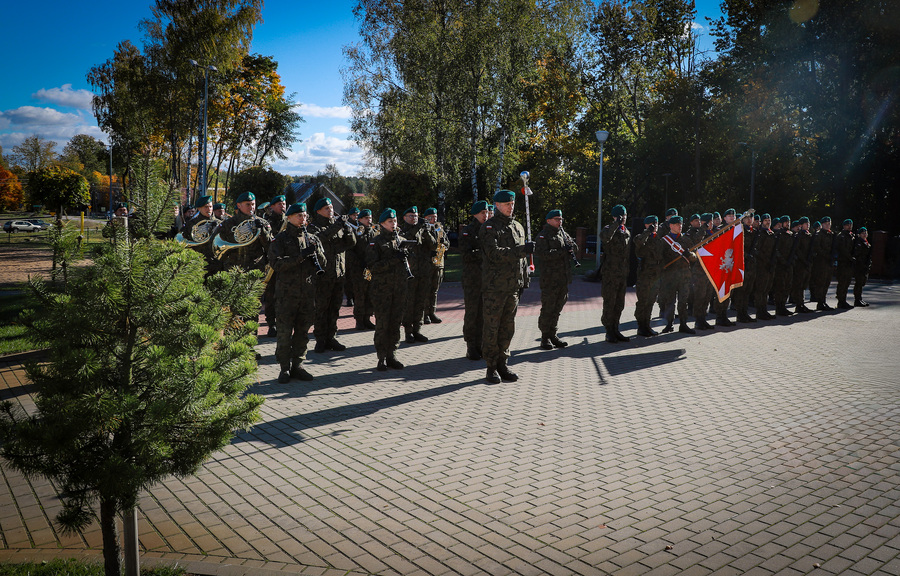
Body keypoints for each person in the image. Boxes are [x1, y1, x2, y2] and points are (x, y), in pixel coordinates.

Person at [268, 203, 326, 383]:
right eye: (299, 216)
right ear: (289, 218)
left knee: (302, 332)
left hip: (307, 293)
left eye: (305, 216)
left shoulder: (312, 238)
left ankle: (298, 365)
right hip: (286, 295)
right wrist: (300, 256)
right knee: (284, 333)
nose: (303, 219)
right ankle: (284, 368)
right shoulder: (280, 240)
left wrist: (316, 251)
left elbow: (323, 263)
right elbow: (276, 264)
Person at [481, 190, 532, 383]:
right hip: (495, 287)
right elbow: (493, 253)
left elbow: (522, 261)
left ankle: (503, 364)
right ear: (497, 205)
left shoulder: (518, 226)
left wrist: (524, 279)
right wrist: (521, 250)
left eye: (512, 203)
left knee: (507, 327)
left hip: (513, 286)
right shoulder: (489, 227)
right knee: (492, 328)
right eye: (506, 204)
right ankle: (491, 367)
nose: (511, 207)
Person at [309, 197, 356, 353]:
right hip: (323, 275)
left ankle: (331, 337)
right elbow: (320, 239)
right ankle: (320, 339)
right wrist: (337, 225)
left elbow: (351, 243)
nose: (331, 210)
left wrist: (348, 230)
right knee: (321, 309)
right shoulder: (314, 227)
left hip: (338, 273)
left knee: (335, 308)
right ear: (318, 211)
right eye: (327, 208)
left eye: (331, 207)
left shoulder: (338, 225)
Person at [366, 208, 410, 371]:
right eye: (390, 221)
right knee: (383, 323)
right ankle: (381, 357)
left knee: (395, 323)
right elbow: (373, 266)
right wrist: (393, 260)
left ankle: (392, 355)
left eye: (395, 221)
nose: (394, 224)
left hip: (399, 288)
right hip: (382, 290)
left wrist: (407, 256)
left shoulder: (402, 240)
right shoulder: (376, 242)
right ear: (382, 224)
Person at [535, 209, 576, 349]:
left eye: (561, 219)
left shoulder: (563, 234)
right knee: (548, 308)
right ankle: (545, 337)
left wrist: (572, 247)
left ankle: (553, 334)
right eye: (557, 219)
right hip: (550, 279)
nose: (560, 221)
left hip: (563, 278)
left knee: (557, 308)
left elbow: (573, 248)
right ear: (549, 221)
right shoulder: (543, 236)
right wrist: (562, 251)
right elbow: (542, 255)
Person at [399, 206, 437, 343]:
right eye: (411, 216)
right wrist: (418, 228)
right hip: (410, 272)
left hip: (424, 271)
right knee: (409, 303)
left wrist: (426, 231)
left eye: (415, 216)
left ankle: (417, 330)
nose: (414, 218)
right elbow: (407, 240)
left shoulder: (423, 229)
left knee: (421, 302)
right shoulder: (401, 230)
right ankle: (408, 331)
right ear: (405, 218)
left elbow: (433, 245)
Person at [216, 191, 273, 275]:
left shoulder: (263, 223)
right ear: (239, 205)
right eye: (248, 205)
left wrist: (263, 232)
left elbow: (270, 247)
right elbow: (217, 245)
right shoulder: (228, 224)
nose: (251, 207)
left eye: (253, 204)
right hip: (233, 268)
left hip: (256, 268)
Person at [658, 216, 698, 333]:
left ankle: (683, 324)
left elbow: (695, 257)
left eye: (681, 224)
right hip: (669, 277)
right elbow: (659, 258)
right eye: (677, 224)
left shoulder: (686, 240)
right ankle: (669, 324)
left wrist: (689, 255)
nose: (680, 226)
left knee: (683, 302)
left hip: (684, 276)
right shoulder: (664, 241)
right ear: (671, 226)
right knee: (669, 302)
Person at [461, 200, 489, 360]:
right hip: (472, 279)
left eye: (487, 212)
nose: (486, 215)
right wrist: (483, 252)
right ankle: (471, 346)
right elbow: (466, 255)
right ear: (475, 214)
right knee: (472, 313)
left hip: (487, 278)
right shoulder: (468, 231)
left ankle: (481, 344)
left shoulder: (490, 229)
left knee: (484, 313)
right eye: (482, 213)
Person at [600, 204, 632, 342]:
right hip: (610, 274)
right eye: (620, 216)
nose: (623, 218)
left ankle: (616, 328)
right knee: (610, 302)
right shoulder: (608, 229)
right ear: (614, 217)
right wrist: (615, 224)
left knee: (619, 303)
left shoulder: (627, 232)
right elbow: (605, 238)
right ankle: (609, 331)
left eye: (624, 215)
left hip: (622, 273)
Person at [261, 194, 288, 336]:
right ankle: (271, 324)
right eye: (279, 204)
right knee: (271, 296)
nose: (282, 206)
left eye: (284, 204)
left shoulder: (289, 220)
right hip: (272, 263)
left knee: (285, 295)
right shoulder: (267, 221)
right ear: (272, 207)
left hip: (286, 263)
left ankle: (283, 323)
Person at [634, 215, 663, 337]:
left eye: (656, 224)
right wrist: (647, 232)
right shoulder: (640, 237)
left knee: (651, 301)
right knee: (643, 301)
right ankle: (641, 326)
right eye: (651, 224)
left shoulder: (659, 239)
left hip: (655, 276)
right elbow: (639, 242)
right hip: (644, 276)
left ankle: (647, 325)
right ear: (646, 225)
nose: (654, 226)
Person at [349, 209, 376, 330]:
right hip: (359, 269)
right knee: (360, 295)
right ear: (359, 219)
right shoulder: (356, 232)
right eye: (366, 218)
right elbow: (350, 251)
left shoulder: (373, 232)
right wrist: (359, 263)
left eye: (370, 218)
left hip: (371, 268)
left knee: (370, 294)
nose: (369, 220)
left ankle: (367, 318)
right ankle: (359, 320)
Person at [687, 213, 715, 330]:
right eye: (709, 222)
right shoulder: (695, 233)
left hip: (710, 269)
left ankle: (703, 318)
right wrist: (703, 228)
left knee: (708, 295)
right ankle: (698, 320)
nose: (711, 224)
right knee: (700, 296)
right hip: (699, 270)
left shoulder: (713, 233)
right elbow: (696, 242)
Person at [179, 194, 220, 273]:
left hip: (216, 262)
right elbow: (183, 240)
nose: (209, 209)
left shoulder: (219, 223)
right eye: (206, 207)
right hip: (198, 260)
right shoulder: (191, 224)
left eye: (210, 207)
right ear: (199, 209)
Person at [423, 207, 450, 324]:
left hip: (439, 264)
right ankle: (425, 314)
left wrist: (444, 243)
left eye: (435, 217)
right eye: (431, 217)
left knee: (434, 290)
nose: (434, 219)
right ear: (426, 218)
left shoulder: (439, 228)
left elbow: (447, 244)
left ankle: (432, 312)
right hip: (427, 264)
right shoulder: (423, 229)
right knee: (426, 290)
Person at [732, 211, 757, 323]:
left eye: (751, 218)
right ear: (743, 220)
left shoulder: (754, 232)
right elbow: (737, 247)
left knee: (748, 290)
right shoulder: (740, 231)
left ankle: (745, 312)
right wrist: (747, 255)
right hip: (742, 264)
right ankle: (740, 314)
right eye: (747, 218)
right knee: (741, 291)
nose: (749, 220)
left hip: (751, 266)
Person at [752, 213, 776, 320]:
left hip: (770, 265)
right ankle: (759, 311)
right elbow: (757, 250)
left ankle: (764, 310)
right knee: (760, 289)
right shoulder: (760, 234)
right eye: (766, 220)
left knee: (766, 289)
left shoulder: (771, 233)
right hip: (761, 265)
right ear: (762, 222)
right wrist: (765, 260)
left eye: (769, 220)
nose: (768, 222)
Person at [809, 216, 835, 310]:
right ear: (822, 224)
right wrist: (826, 255)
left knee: (827, 282)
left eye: (829, 224)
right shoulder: (818, 234)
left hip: (828, 262)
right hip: (821, 262)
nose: (828, 225)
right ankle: (820, 302)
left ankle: (823, 301)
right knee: (821, 282)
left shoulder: (831, 234)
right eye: (826, 224)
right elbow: (817, 248)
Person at [791, 216, 814, 313]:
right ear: (800, 225)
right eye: (806, 223)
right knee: (799, 284)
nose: (808, 225)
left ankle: (802, 303)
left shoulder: (809, 235)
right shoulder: (799, 236)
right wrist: (804, 260)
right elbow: (797, 250)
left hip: (807, 263)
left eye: (808, 223)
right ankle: (798, 304)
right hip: (800, 263)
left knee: (804, 284)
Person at [773, 215, 795, 316]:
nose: (788, 224)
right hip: (780, 265)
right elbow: (776, 250)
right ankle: (779, 307)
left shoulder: (791, 235)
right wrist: (783, 261)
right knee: (780, 287)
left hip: (789, 264)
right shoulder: (778, 234)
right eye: (786, 222)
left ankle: (783, 305)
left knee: (787, 286)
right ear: (781, 224)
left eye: (789, 222)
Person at [833, 218, 856, 309]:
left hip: (849, 262)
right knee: (842, 282)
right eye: (847, 225)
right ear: (844, 226)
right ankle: (840, 300)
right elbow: (843, 249)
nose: (849, 226)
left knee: (847, 282)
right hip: (843, 262)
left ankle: (844, 300)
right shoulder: (841, 236)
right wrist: (850, 258)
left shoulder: (851, 236)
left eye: (850, 225)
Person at [344, 206, 360, 307]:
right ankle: (349, 298)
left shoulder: (359, 225)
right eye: (354, 215)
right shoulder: (347, 225)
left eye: (357, 215)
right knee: (349, 278)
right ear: (350, 216)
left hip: (358, 254)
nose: (356, 217)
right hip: (349, 255)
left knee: (357, 278)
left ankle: (355, 297)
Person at [852, 227, 872, 307]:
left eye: (865, 233)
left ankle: (859, 298)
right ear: (859, 234)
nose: (864, 234)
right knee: (859, 283)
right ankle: (857, 299)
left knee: (862, 282)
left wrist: (868, 265)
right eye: (863, 233)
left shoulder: (866, 243)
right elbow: (857, 255)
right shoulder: (858, 243)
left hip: (865, 266)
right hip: (859, 266)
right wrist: (861, 264)